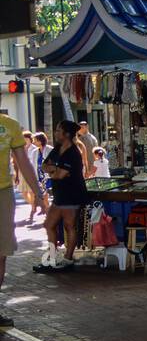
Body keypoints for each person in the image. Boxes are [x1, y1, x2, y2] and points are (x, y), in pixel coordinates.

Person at [0, 115, 44, 326]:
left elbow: (23, 162)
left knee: (1, 254)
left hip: (3, 193)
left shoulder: (10, 125)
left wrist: (38, 192)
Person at [39, 120, 89, 270]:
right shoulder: (57, 148)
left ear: (66, 134)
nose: (56, 133)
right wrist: (54, 170)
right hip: (60, 194)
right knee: (49, 224)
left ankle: (68, 259)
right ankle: (53, 257)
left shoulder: (73, 152)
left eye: (58, 131)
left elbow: (60, 174)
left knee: (69, 225)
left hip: (72, 193)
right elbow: (44, 166)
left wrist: (53, 170)